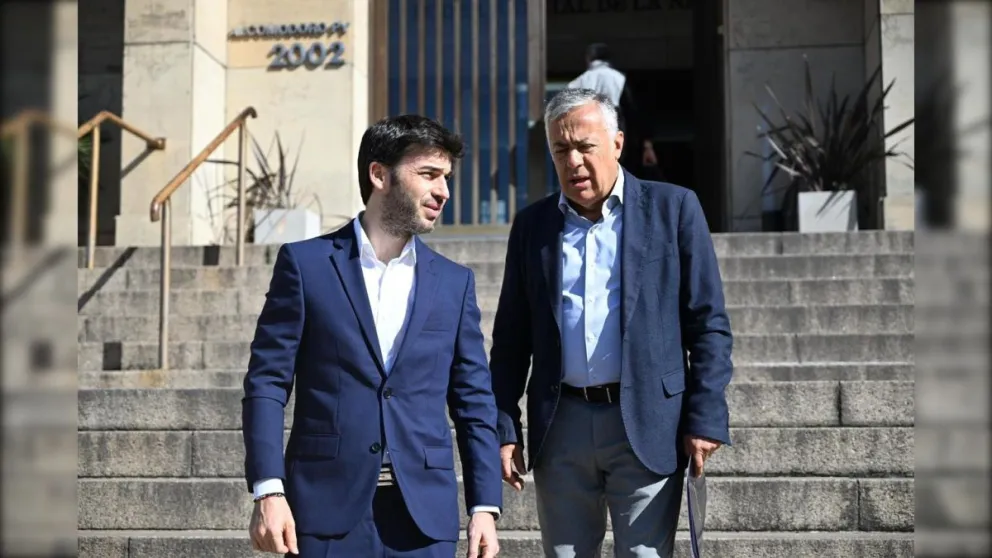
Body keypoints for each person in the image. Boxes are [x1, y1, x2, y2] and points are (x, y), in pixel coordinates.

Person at [242, 115, 503, 558]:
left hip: (424, 519)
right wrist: (269, 489)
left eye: (446, 177)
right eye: (429, 174)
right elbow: (266, 382)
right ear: (379, 174)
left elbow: (474, 401)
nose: (444, 191)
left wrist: (484, 507)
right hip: (323, 512)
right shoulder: (306, 266)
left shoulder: (454, 283)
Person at [489, 88, 733, 557]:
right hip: (560, 425)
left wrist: (705, 415)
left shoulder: (674, 209)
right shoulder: (532, 226)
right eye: (561, 149)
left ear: (617, 143)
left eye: (585, 146)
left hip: (646, 420)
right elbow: (511, 340)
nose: (573, 161)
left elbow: (708, 325)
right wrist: (503, 426)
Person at [567, 43, 658, 177]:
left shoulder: (577, 82)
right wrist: (646, 144)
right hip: (616, 131)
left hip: (587, 133)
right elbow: (634, 113)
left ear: (588, 59)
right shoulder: (620, 78)